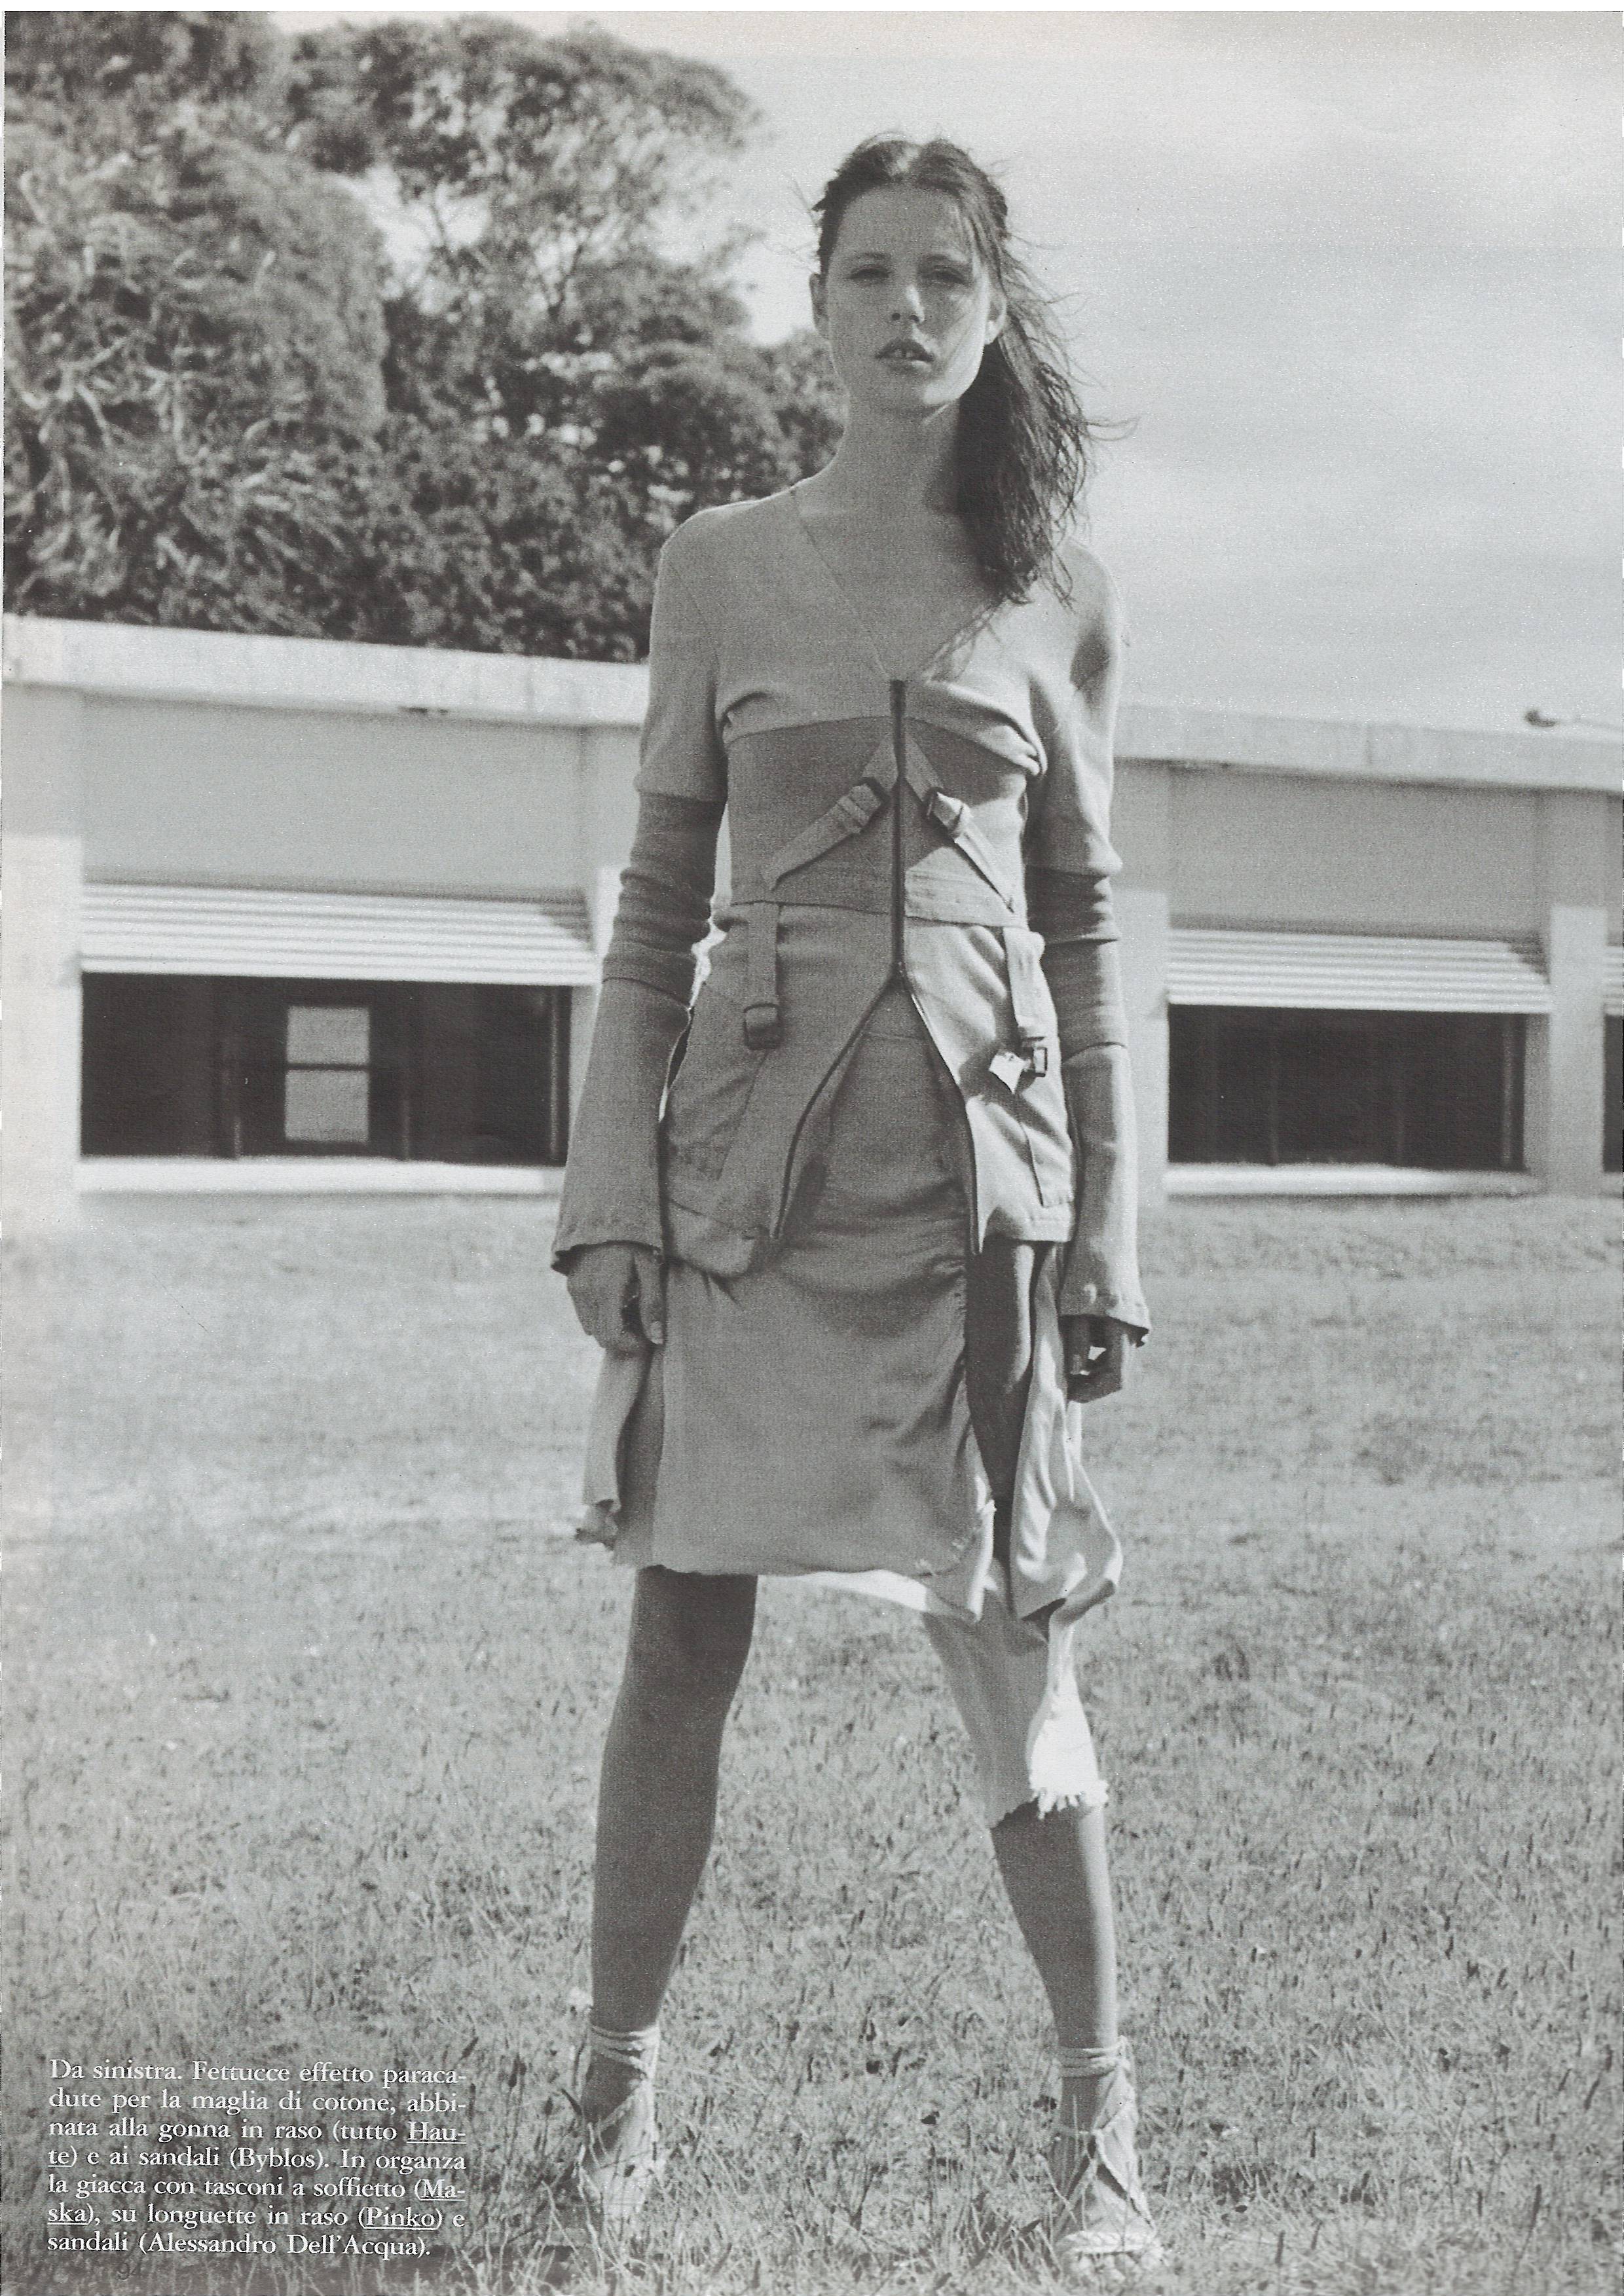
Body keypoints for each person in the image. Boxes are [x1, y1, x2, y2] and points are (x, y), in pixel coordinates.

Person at [552, 133, 1162, 2272]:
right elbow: (654, 906)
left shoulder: (1060, 586)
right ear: (814, 308)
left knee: (1020, 1644)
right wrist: (610, 1189)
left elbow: (1087, 931)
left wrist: (1110, 1222)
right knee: (679, 1632)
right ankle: (613, 2099)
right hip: (744, 1196)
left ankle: (1101, 2133)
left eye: (946, 275)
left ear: (992, 312)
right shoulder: (717, 564)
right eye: (871, 272)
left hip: (978, 1207)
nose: (908, 308)